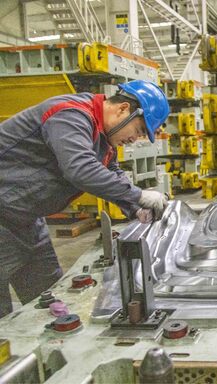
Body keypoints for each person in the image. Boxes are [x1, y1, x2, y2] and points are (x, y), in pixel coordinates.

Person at [0, 80, 170, 318]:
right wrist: (139, 195)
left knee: (48, 300)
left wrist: (136, 208)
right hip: (4, 217)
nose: (135, 140)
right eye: (140, 130)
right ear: (122, 109)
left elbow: (112, 172)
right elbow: (80, 169)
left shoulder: (104, 138)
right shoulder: (71, 115)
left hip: (25, 219)